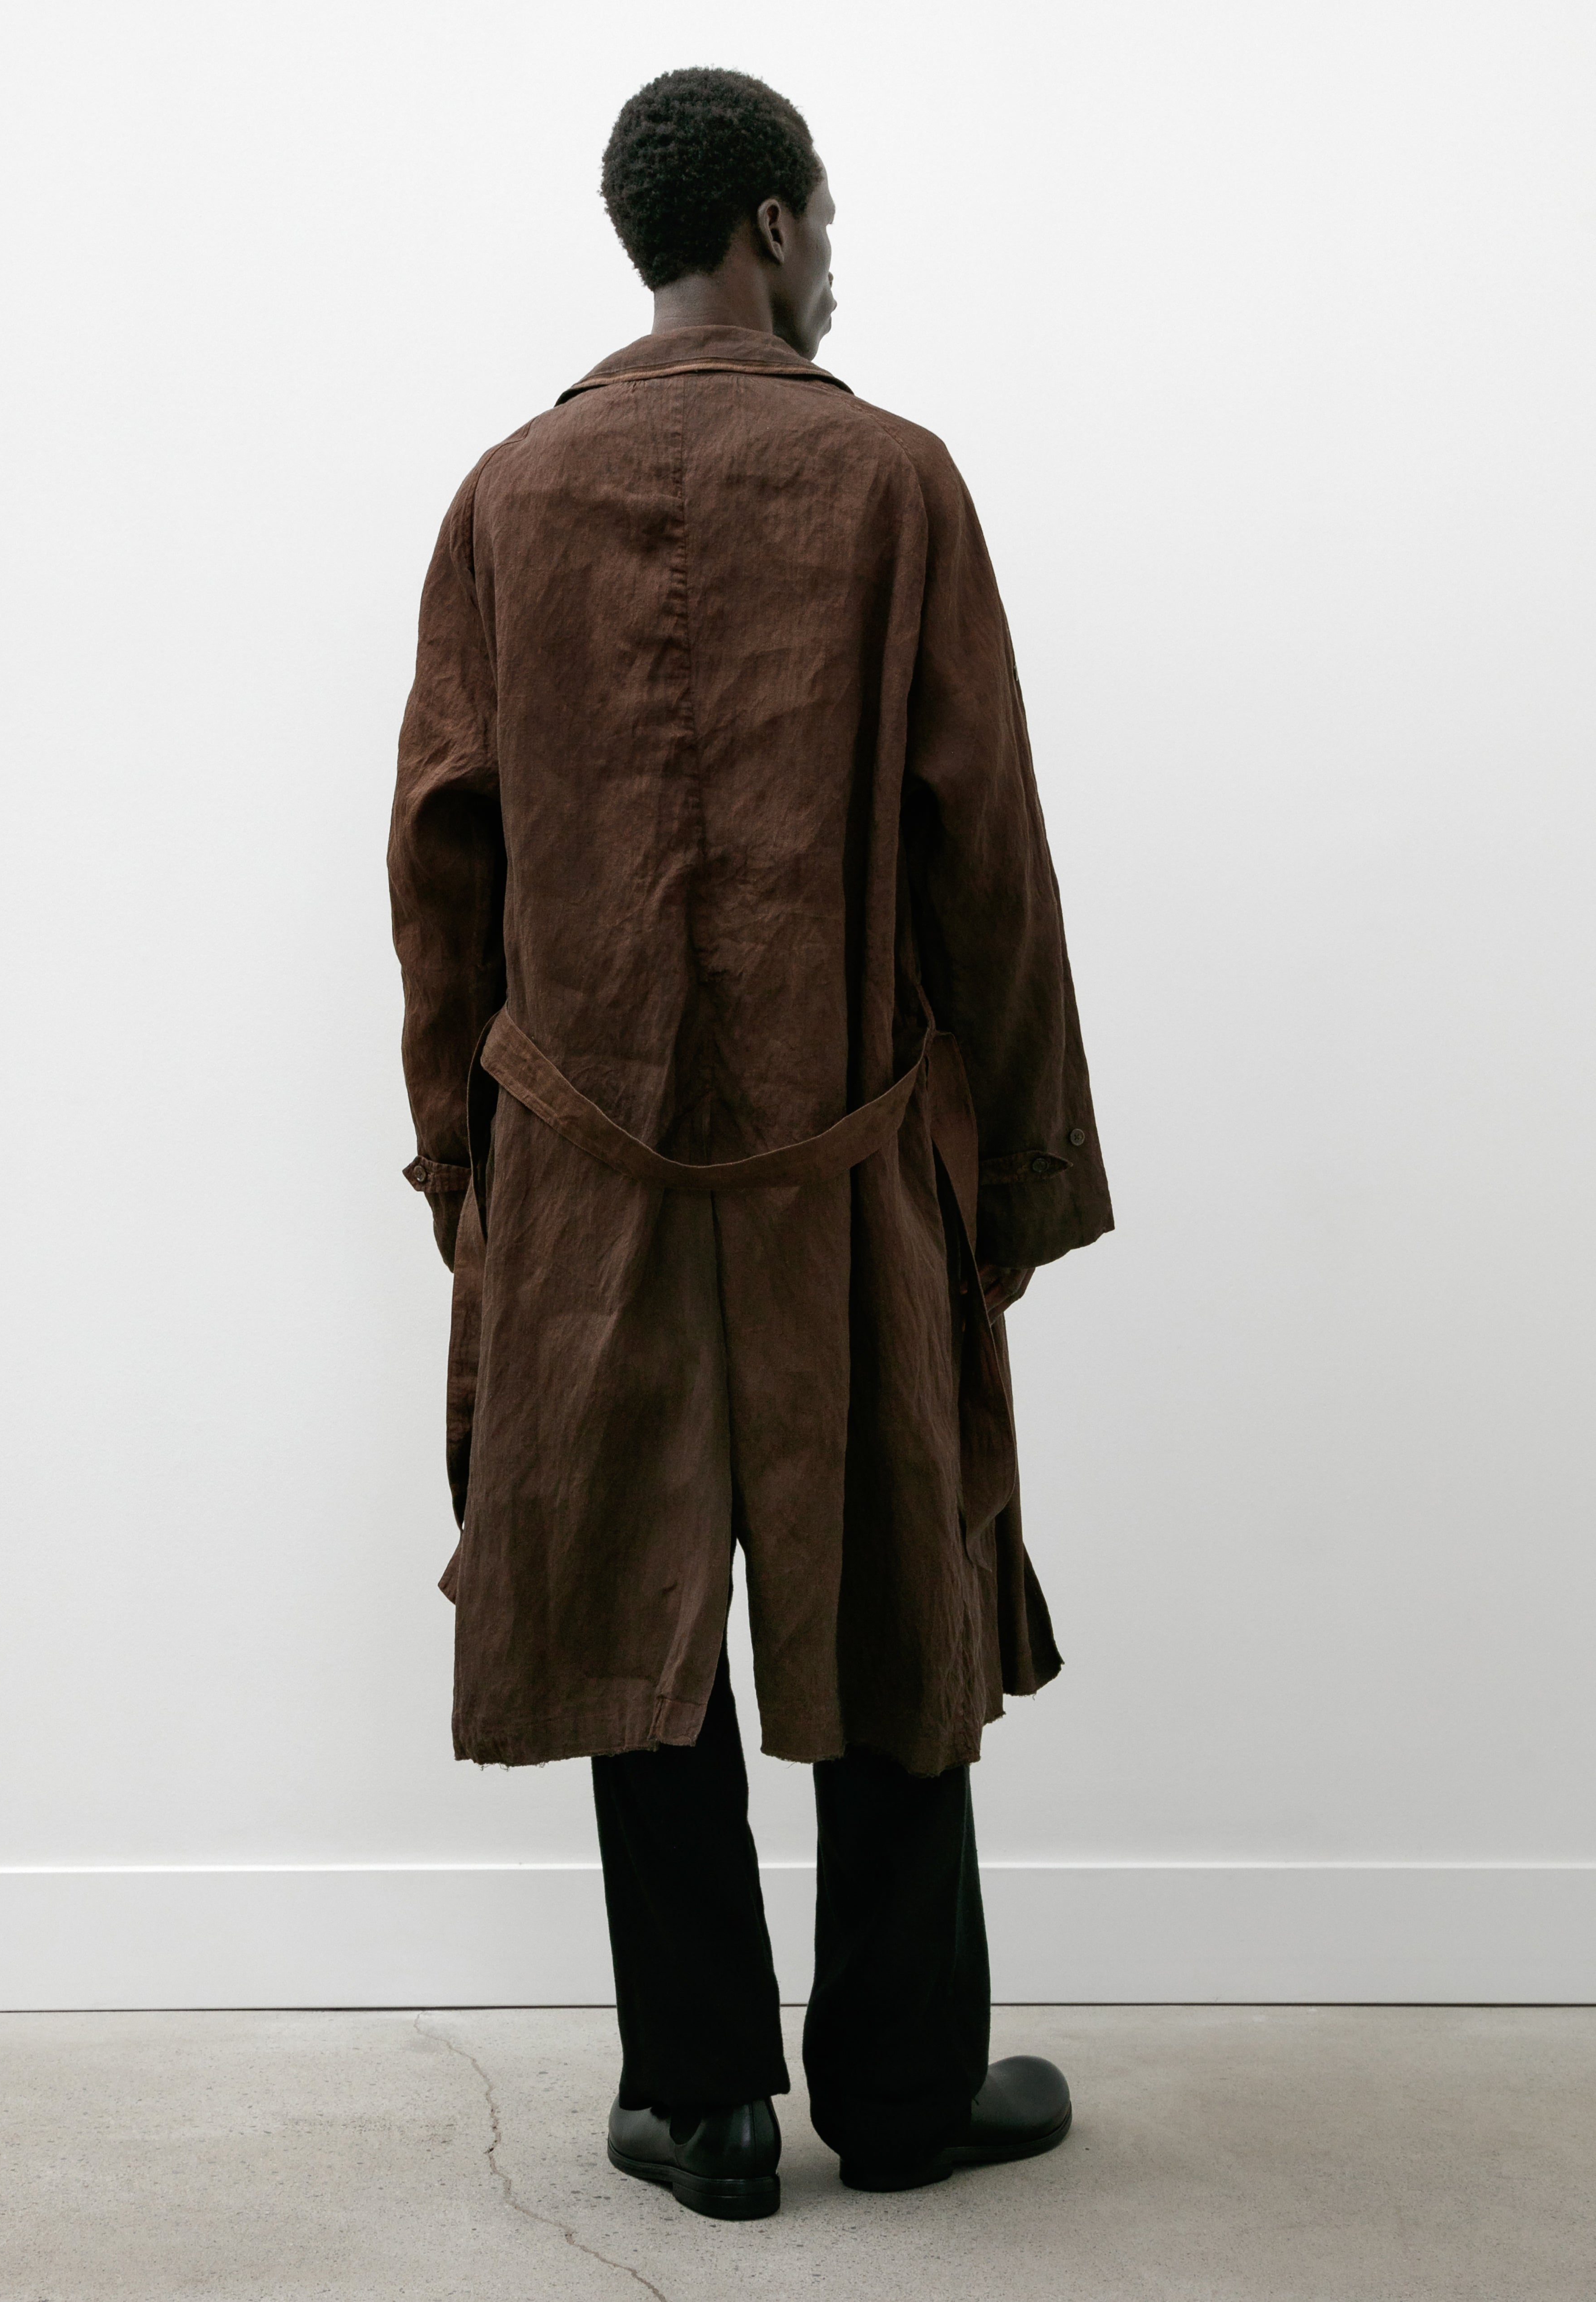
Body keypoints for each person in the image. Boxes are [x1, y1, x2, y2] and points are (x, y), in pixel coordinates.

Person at [388, 66, 1113, 2220]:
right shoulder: (895, 482)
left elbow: (440, 859)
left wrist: (464, 1166)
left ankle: (700, 2101)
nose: (833, 258)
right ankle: (901, 2090)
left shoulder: (508, 495)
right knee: (891, 1588)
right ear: (775, 227)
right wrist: (1022, 1179)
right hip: (851, 1157)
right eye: (829, 220)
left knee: (638, 1603)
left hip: (583, 1162)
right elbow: (989, 857)